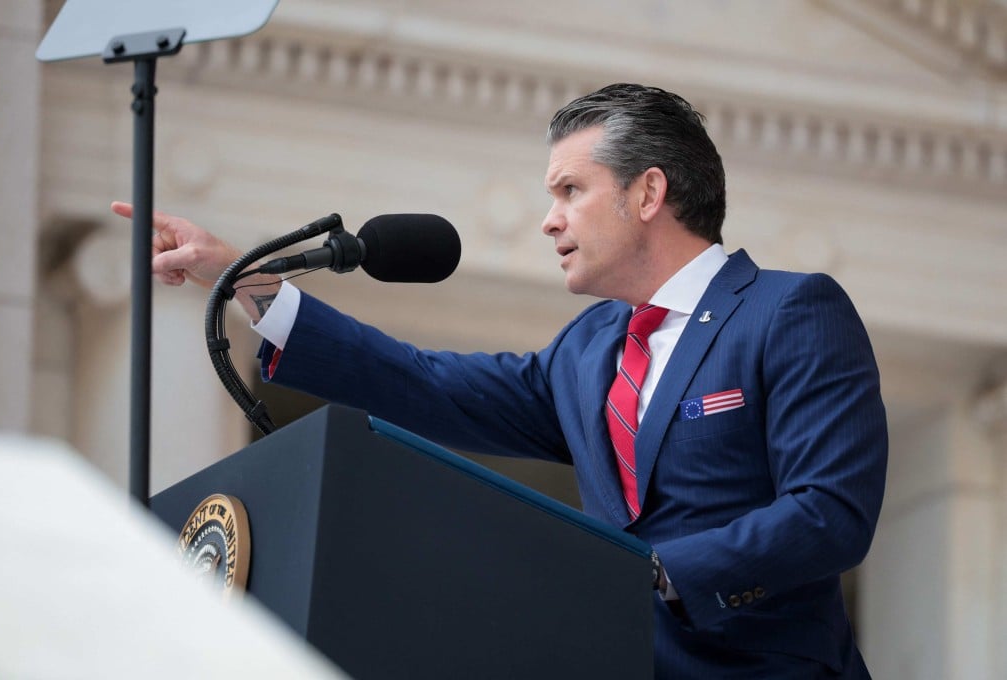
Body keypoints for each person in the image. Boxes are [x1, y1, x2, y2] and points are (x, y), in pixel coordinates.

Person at [112, 83, 887, 678]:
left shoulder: (789, 311)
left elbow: (829, 514)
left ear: (648, 193)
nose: (550, 220)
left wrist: (653, 573)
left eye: (569, 191)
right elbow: (428, 384)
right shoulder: (589, 349)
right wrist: (252, 288)